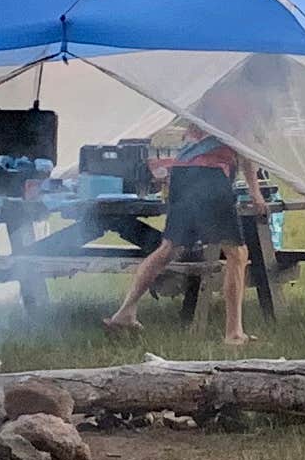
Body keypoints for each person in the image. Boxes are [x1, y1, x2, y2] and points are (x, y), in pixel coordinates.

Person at [105, 124, 259, 349]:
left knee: (168, 248)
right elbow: (246, 152)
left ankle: (124, 313)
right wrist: (256, 194)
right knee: (237, 252)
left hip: (181, 173)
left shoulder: (204, 106)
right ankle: (234, 334)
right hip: (211, 175)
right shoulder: (239, 107)